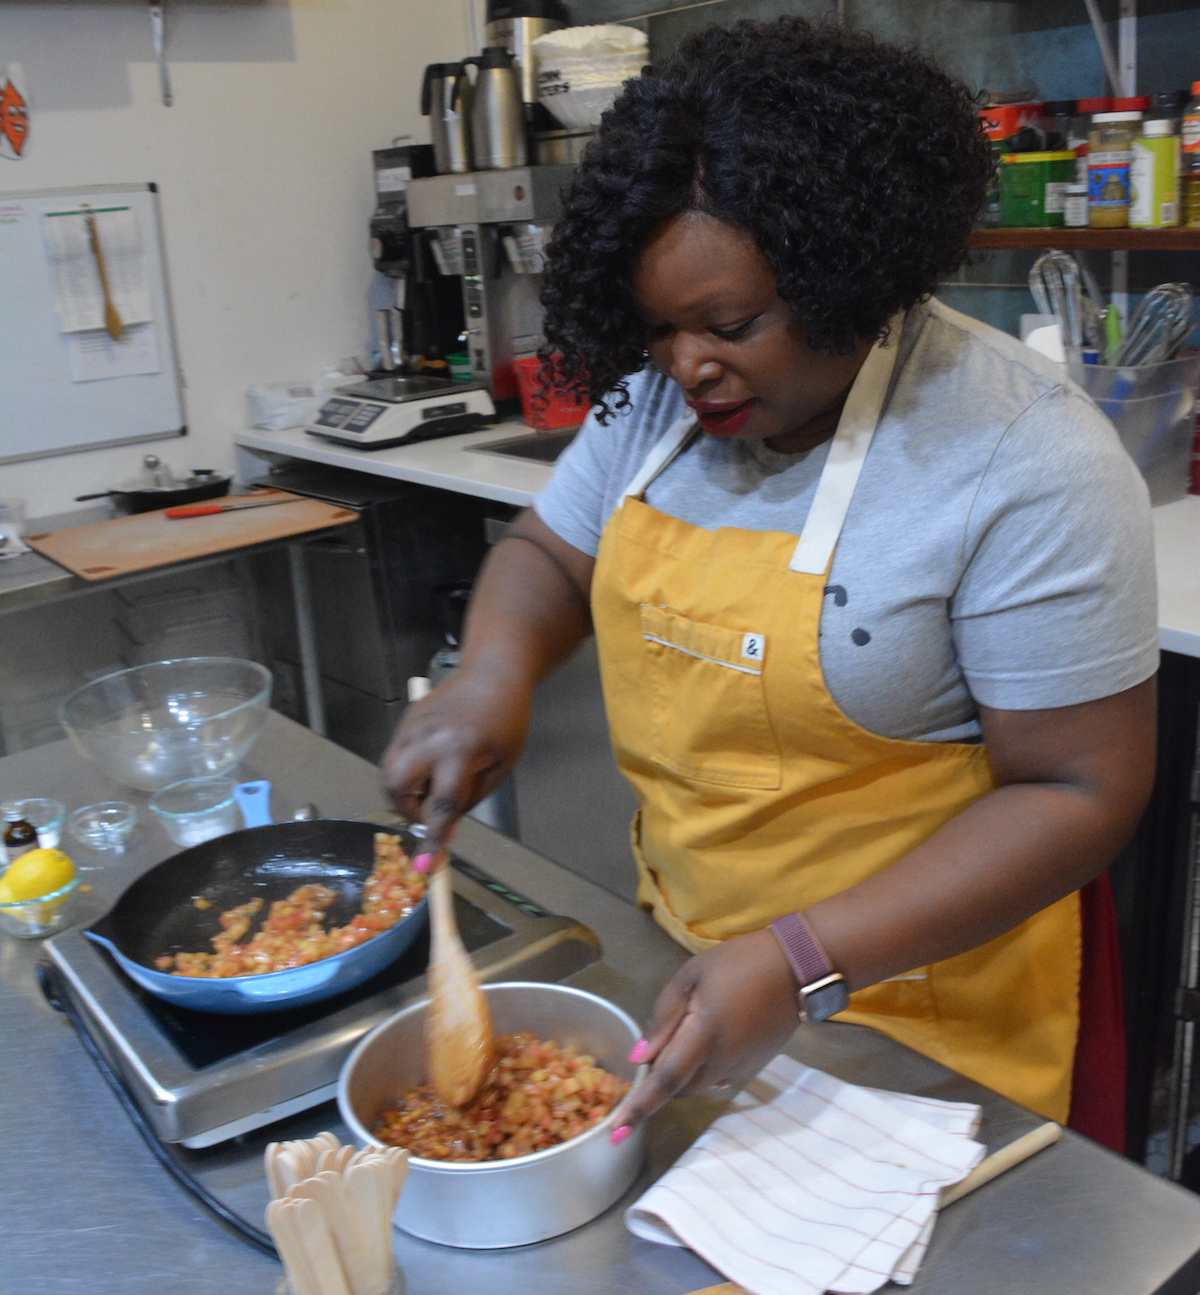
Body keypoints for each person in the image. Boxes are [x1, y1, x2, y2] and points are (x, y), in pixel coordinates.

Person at [383, 17, 1158, 1151]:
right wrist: (488, 676)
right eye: (658, 328)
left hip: (926, 1028)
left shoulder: (1022, 457)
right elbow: (550, 551)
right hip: (694, 971)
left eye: (732, 324)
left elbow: (1079, 792)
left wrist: (801, 958)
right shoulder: (657, 407)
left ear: (854, 270)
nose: (688, 365)